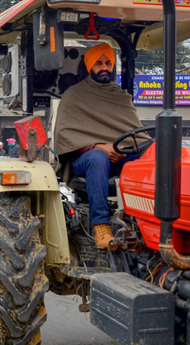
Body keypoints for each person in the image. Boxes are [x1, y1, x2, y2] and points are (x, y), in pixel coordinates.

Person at [54, 42, 149, 249]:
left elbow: (133, 134)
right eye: (98, 63)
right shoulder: (74, 95)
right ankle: (101, 227)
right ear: (89, 66)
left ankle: (143, 221)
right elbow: (66, 136)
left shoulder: (121, 96)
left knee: (150, 158)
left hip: (119, 156)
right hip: (85, 159)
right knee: (98, 158)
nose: (104, 67)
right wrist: (98, 146)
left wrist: (121, 149)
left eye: (108, 63)